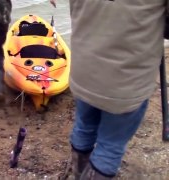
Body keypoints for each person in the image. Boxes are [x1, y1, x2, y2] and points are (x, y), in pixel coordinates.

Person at [50, 0, 167, 179]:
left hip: (84, 72)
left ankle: (79, 172)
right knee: (110, 145)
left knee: (84, 126)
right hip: (127, 84)